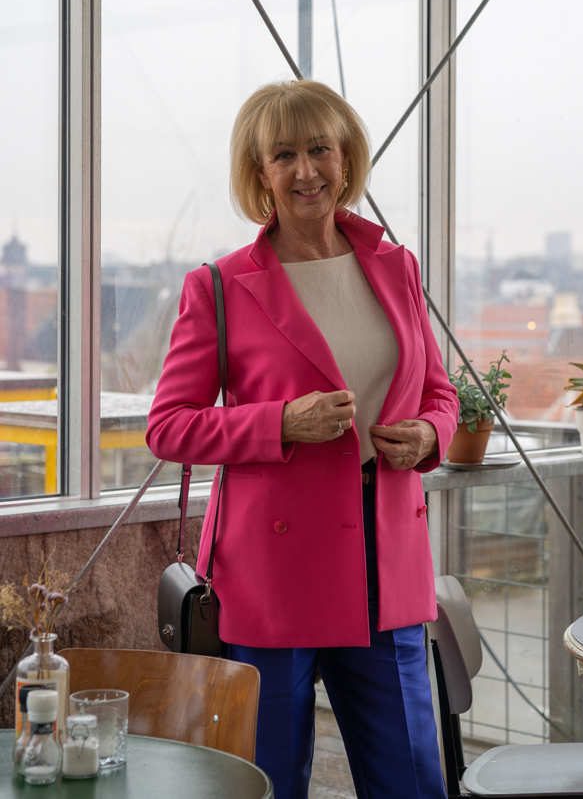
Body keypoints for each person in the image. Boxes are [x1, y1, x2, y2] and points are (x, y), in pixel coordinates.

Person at [146, 80, 459, 799]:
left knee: (413, 781)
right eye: (283, 154)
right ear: (259, 171)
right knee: (269, 783)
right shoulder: (221, 286)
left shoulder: (396, 266)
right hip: (272, 574)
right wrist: (281, 422)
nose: (305, 169)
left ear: (346, 158)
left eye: (320, 148)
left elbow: (440, 394)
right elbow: (168, 424)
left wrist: (427, 433)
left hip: (388, 564)